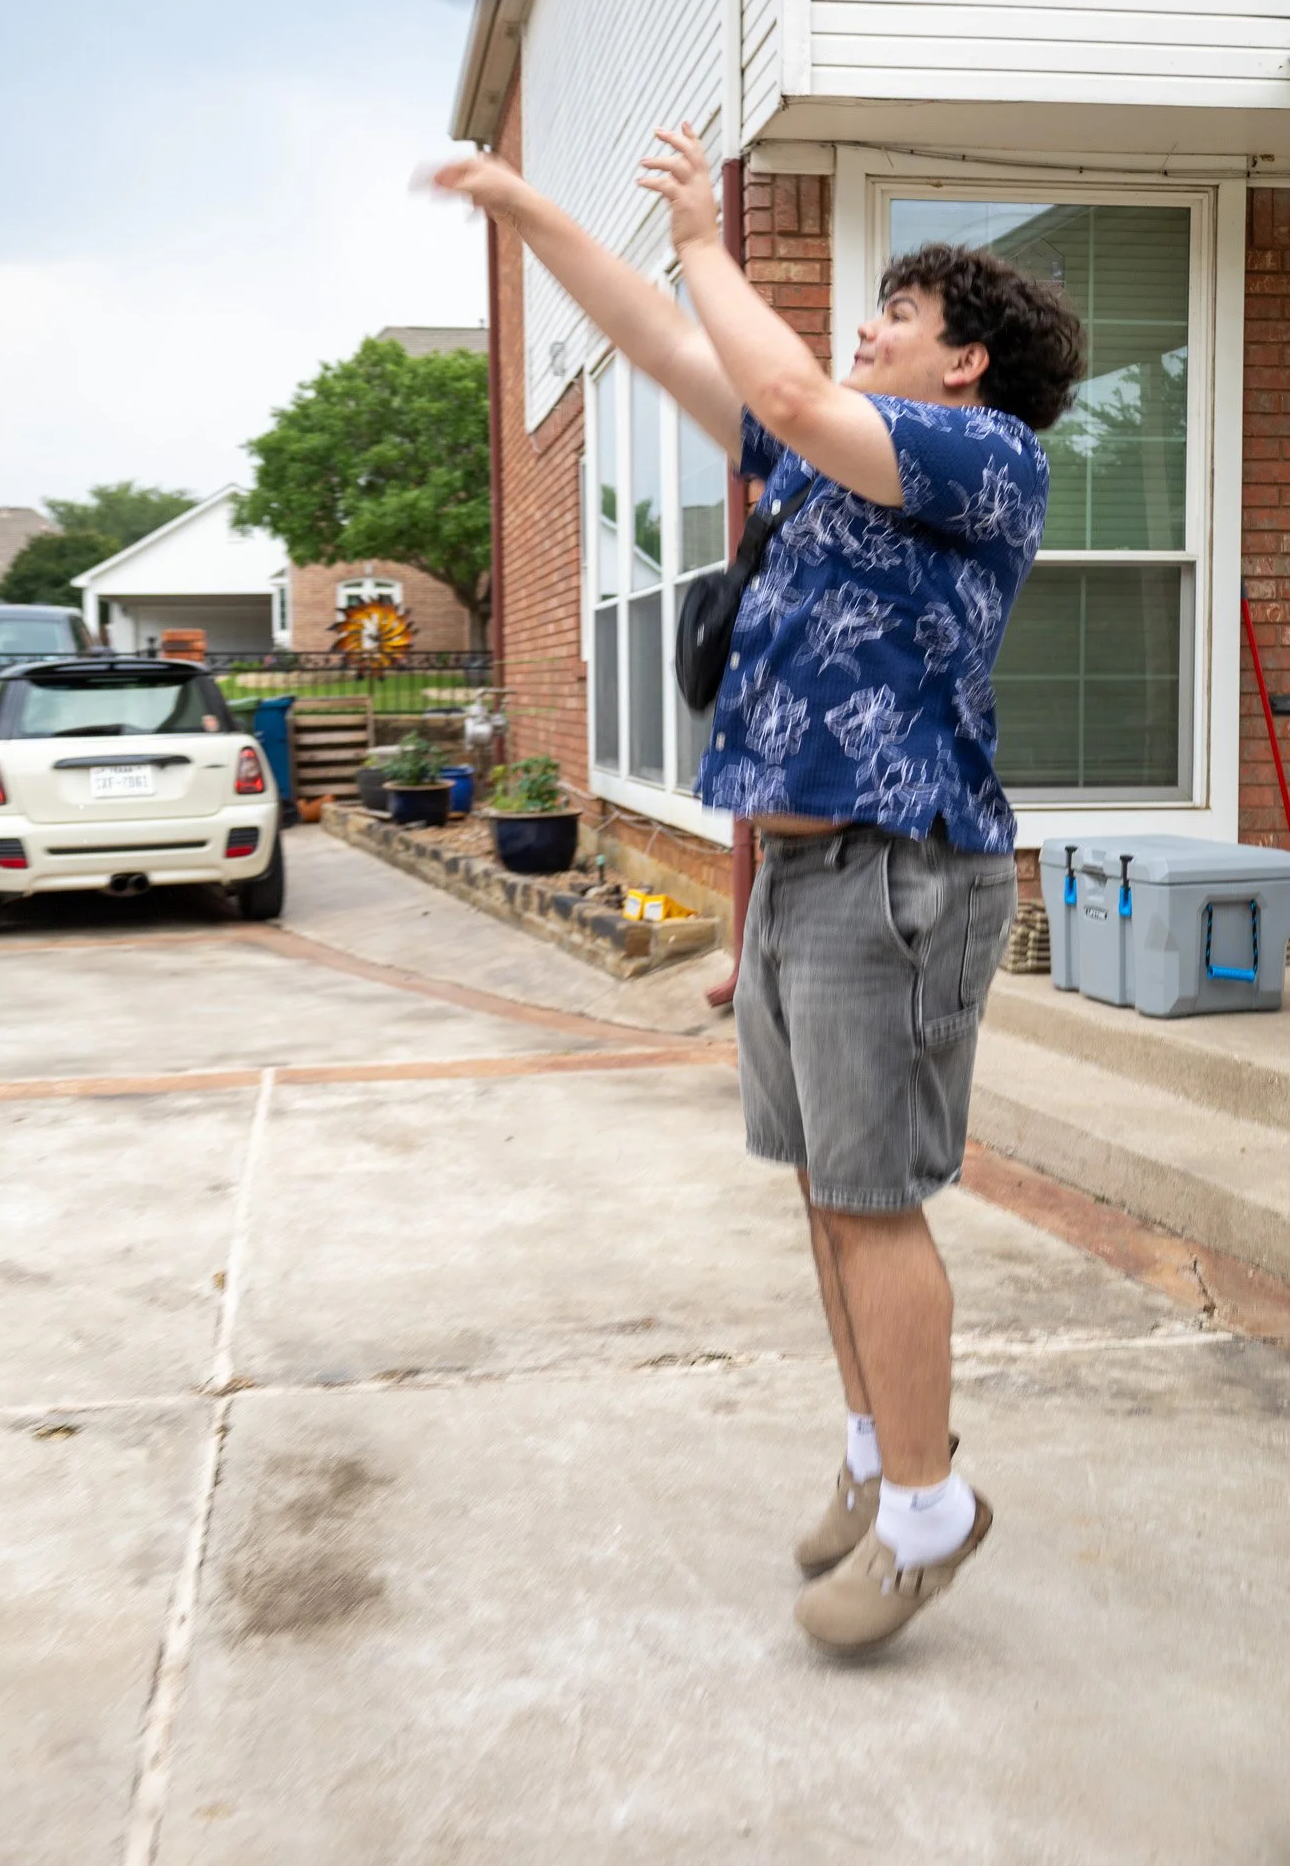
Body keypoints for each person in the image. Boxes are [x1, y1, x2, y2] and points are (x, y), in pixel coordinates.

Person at [431, 128, 1085, 1654]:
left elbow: (782, 381)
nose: (867, 331)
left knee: (875, 1202)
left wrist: (718, 237)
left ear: (965, 365)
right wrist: (533, 203)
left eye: (896, 319)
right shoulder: (821, 459)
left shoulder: (990, 465)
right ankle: (877, 1452)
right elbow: (664, 336)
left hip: (903, 872)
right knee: (821, 1194)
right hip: (802, 875)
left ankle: (929, 1510)